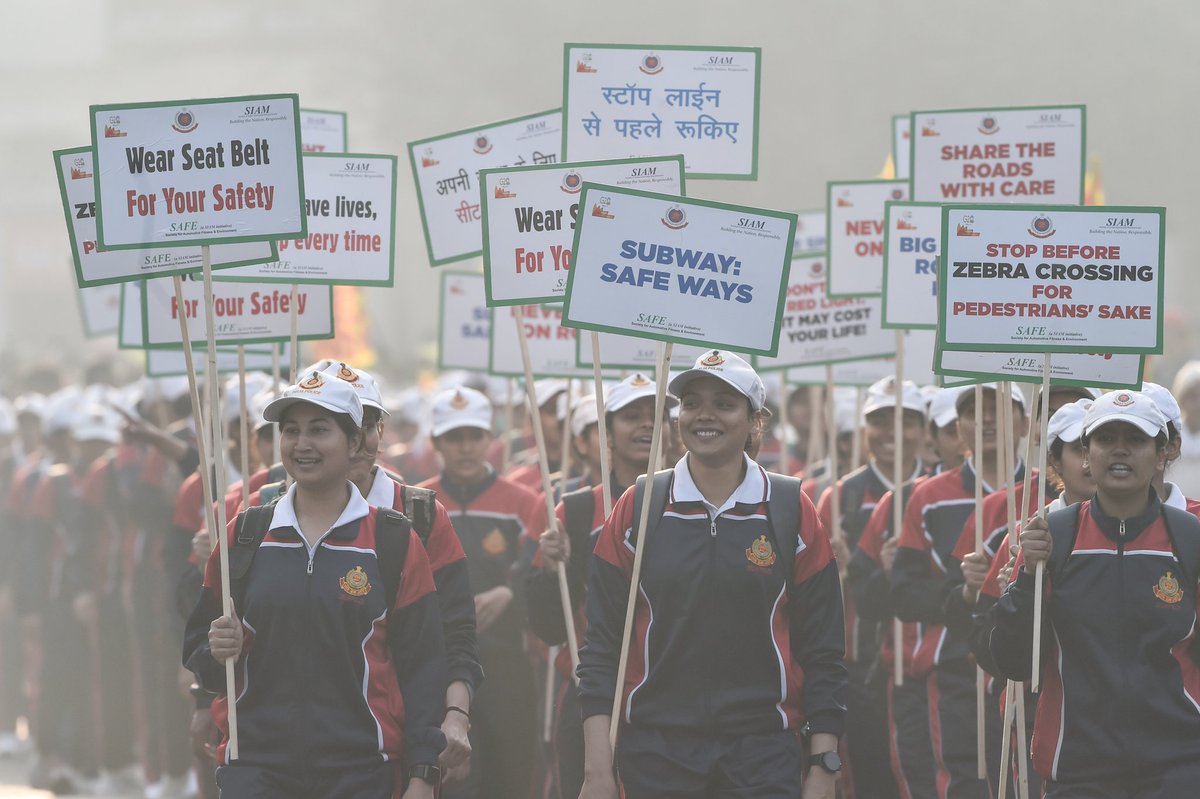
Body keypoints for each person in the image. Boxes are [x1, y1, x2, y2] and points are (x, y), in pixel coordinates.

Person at [576, 350, 847, 799]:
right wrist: (596, 772)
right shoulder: (638, 506)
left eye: (724, 404)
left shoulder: (790, 508)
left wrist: (823, 766)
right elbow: (601, 646)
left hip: (764, 756)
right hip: (656, 754)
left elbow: (824, 651)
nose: (705, 416)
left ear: (754, 420)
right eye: (693, 402)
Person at [183, 372, 447, 798]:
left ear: (356, 442)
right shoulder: (244, 535)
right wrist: (215, 649)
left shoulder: (393, 540)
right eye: (291, 431)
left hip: (362, 772)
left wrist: (422, 773)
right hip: (256, 770)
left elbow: (424, 667)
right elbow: (200, 650)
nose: (301, 444)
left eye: (319, 430)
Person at [988, 390, 1200, 795]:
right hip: (1078, 773)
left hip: (1180, 769)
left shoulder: (1190, 538)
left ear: (1161, 454)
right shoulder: (1050, 536)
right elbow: (1012, 661)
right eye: (1106, 439)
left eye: (1136, 439)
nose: (1120, 450)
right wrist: (1028, 577)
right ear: (1086, 453)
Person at [529, 373, 677, 799]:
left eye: (656, 416)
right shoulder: (574, 511)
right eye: (631, 416)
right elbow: (550, 628)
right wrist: (549, 569)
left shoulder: (695, 504)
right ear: (606, 432)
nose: (646, 425)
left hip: (671, 698)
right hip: (592, 699)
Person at [891, 383, 1028, 799]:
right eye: (972, 412)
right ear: (958, 426)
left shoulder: (1047, 494)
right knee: (964, 783)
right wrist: (968, 592)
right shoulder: (927, 497)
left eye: (999, 410)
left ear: (1025, 423)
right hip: (954, 670)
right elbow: (903, 593)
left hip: (1027, 674)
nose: (985, 420)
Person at [419, 387, 544, 799]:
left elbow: (540, 575)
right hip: (439, 667)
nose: (466, 448)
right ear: (436, 442)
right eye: (454, 438)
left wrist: (510, 592)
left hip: (506, 661)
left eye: (475, 436)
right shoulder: (415, 504)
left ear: (491, 439)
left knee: (511, 774)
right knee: (450, 779)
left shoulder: (525, 503)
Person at [821, 377, 926, 799]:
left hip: (923, 664)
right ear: (865, 430)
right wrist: (843, 570)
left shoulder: (936, 492)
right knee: (870, 774)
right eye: (880, 420)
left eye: (906, 420)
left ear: (924, 430)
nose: (892, 433)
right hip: (860, 665)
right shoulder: (841, 497)